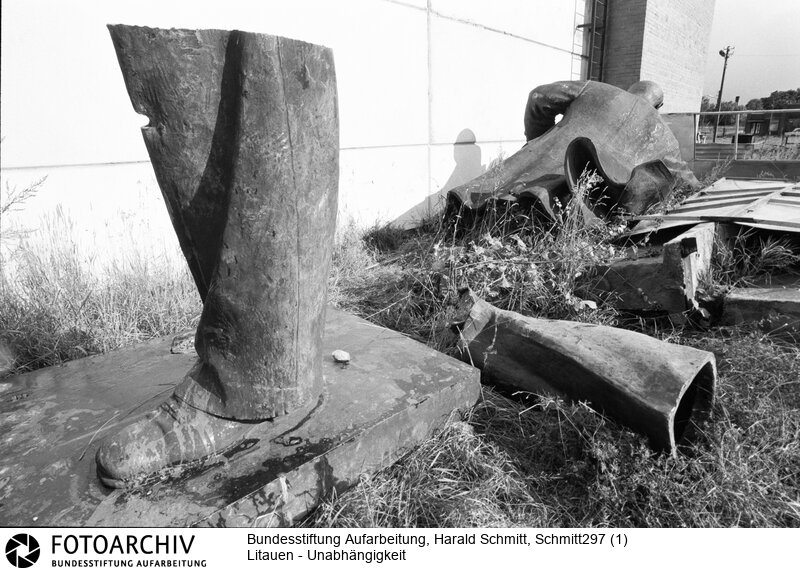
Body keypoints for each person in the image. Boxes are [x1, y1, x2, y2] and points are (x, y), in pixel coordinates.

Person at [447, 79, 696, 219]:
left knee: (484, 195)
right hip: (584, 202)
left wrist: (536, 140)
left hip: (537, 161)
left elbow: (538, 96)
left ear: (629, 89)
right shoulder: (665, 138)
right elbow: (688, 183)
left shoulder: (598, 89)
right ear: (659, 106)